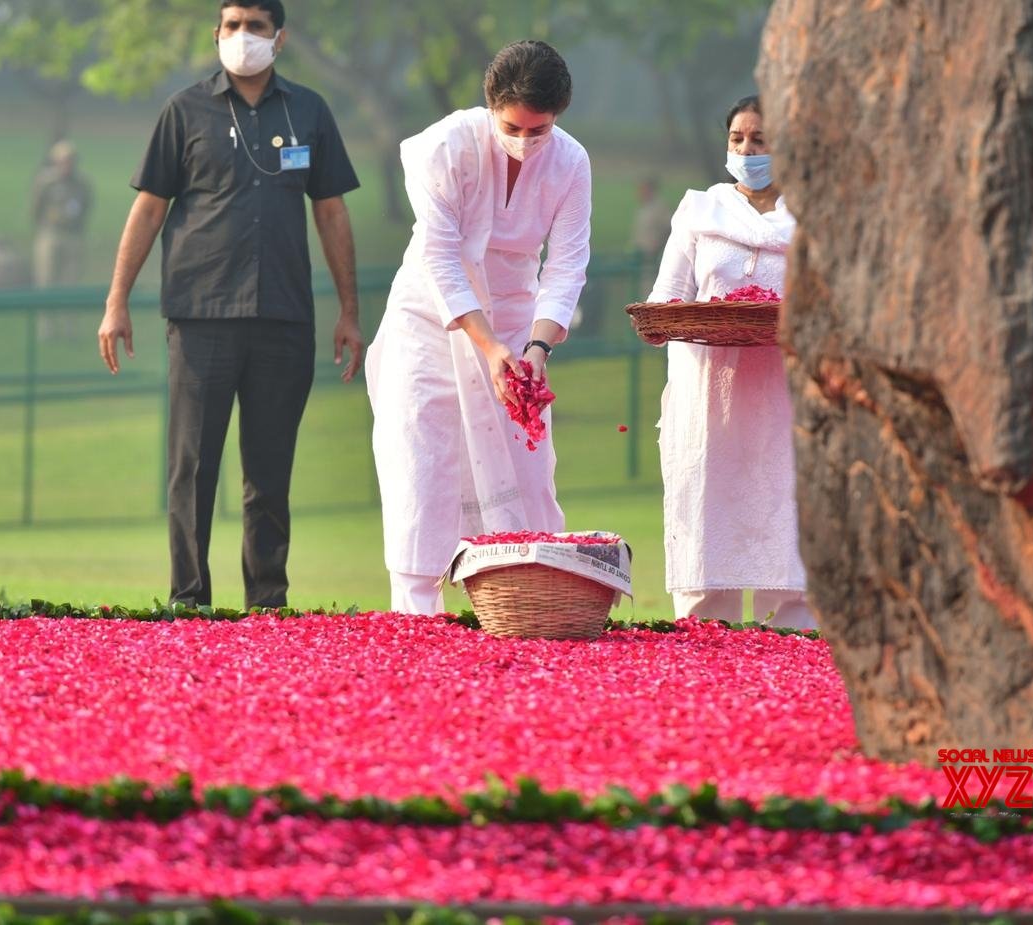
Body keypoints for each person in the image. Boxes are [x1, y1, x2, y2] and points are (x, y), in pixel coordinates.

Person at [97, 0, 362, 609]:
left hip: (283, 316)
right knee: (191, 468)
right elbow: (148, 208)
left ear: (280, 38)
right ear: (216, 34)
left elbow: (330, 211)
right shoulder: (184, 110)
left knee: (269, 471)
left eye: (257, 28)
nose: (244, 37)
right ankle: (189, 598)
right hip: (201, 314)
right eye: (233, 26)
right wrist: (117, 301)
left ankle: (267, 601)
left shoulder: (309, 112)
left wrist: (348, 311)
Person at [365, 40, 591, 616]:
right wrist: (485, 345)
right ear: (491, 106)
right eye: (514, 126)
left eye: (540, 130)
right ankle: (418, 611)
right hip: (432, 321)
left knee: (528, 467)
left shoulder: (570, 162)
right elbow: (440, 255)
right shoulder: (445, 146)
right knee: (423, 457)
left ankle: (531, 609)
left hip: (517, 319)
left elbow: (566, 265)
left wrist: (534, 349)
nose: (526, 140)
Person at [647, 96, 815, 630]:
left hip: (787, 399)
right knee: (706, 520)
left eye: (759, 140)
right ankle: (704, 649)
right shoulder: (701, 211)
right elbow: (667, 299)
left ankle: (793, 644)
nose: (746, 150)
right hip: (709, 401)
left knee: (787, 523)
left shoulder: (815, 217)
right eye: (737, 139)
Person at [32, 139, 93, 339]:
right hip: (51, 235)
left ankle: (69, 329)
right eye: (63, 160)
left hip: (73, 236)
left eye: (70, 160)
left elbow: (87, 206)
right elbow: (36, 208)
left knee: (71, 282)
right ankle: (46, 329)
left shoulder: (82, 183)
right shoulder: (46, 182)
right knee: (47, 281)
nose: (67, 164)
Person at [629, 176, 672, 289]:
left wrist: (658, 247)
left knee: (650, 289)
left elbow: (669, 228)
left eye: (643, 189)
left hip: (653, 260)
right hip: (641, 258)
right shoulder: (642, 209)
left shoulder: (660, 207)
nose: (640, 192)